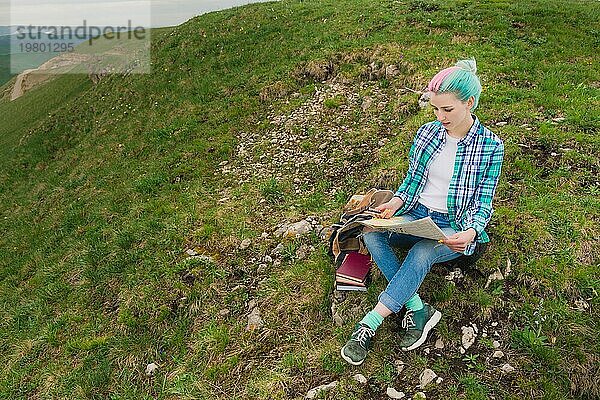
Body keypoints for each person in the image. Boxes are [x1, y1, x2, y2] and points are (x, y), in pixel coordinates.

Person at [341, 59, 504, 366]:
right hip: (417, 215)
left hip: (454, 226)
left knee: (421, 253)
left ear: (469, 103)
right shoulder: (427, 133)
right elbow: (414, 179)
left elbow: (484, 202)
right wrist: (397, 202)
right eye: (435, 109)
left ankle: (368, 324)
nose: (440, 117)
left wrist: (469, 232)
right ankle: (418, 308)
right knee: (372, 234)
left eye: (447, 110)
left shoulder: (491, 146)